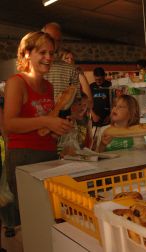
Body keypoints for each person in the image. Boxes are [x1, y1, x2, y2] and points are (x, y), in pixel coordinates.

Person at [2, 31, 73, 236]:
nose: (49, 57)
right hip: (24, 157)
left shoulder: (48, 86)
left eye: (51, 52)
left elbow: (44, 129)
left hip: (48, 155)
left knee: (48, 218)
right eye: (42, 52)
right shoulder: (16, 82)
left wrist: (58, 127)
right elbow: (9, 125)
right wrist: (46, 121)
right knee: (33, 220)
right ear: (26, 54)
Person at [42, 22, 92, 101]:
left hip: (63, 112)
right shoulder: (33, 65)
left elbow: (78, 101)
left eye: (57, 40)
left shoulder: (70, 69)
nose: (54, 43)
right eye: (50, 39)